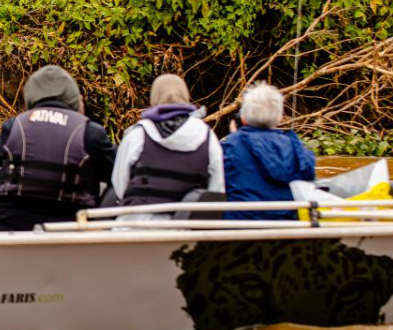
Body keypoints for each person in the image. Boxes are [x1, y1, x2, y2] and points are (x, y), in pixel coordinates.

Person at [0, 65, 117, 231]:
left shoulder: (12, 126)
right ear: (75, 99)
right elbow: (119, 175)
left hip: (6, 223)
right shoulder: (90, 132)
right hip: (69, 225)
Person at [111, 74, 224, 222]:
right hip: (183, 228)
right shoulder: (207, 136)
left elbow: (119, 184)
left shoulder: (137, 134)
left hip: (137, 225)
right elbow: (217, 188)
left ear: (154, 97)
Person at [222, 82, 315, 221]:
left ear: (243, 117)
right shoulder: (293, 145)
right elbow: (308, 175)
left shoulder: (230, 145)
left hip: (239, 224)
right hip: (284, 223)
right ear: (279, 118)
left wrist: (234, 138)